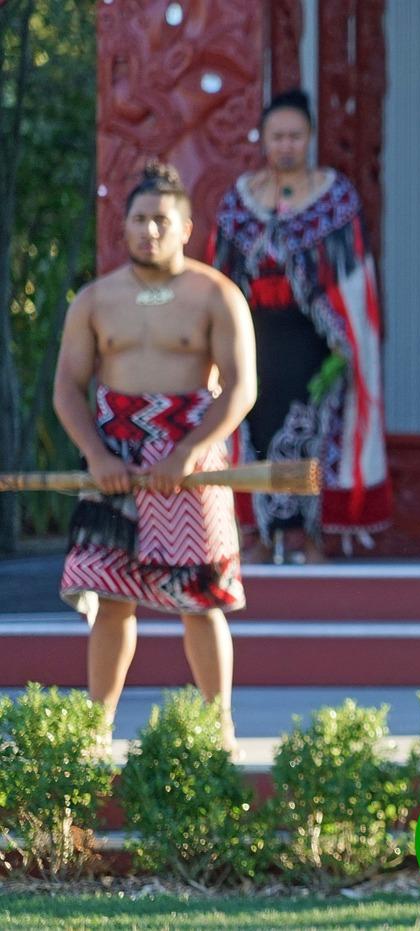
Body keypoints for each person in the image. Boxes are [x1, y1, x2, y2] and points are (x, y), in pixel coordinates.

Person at [54, 161, 256, 751]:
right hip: (113, 454)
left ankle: (219, 727)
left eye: (161, 220)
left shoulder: (216, 294)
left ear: (186, 227)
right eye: (140, 220)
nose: (150, 231)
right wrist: (95, 453)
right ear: (125, 226)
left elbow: (241, 387)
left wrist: (188, 452)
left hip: (191, 459)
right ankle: (96, 729)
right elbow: (69, 386)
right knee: (111, 597)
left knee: (201, 598)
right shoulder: (95, 298)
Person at [208, 88, 390, 564]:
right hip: (256, 340)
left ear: (308, 138)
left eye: (294, 136)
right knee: (256, 431)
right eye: (277, 136)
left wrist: (344, 345)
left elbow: (354, 282)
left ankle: (310, 534)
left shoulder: (336, 199)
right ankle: (259, 533)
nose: (286, 145)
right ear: (264, 140)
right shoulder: (239, 202)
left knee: (313, 434)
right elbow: (219, 277)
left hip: (316, 343)